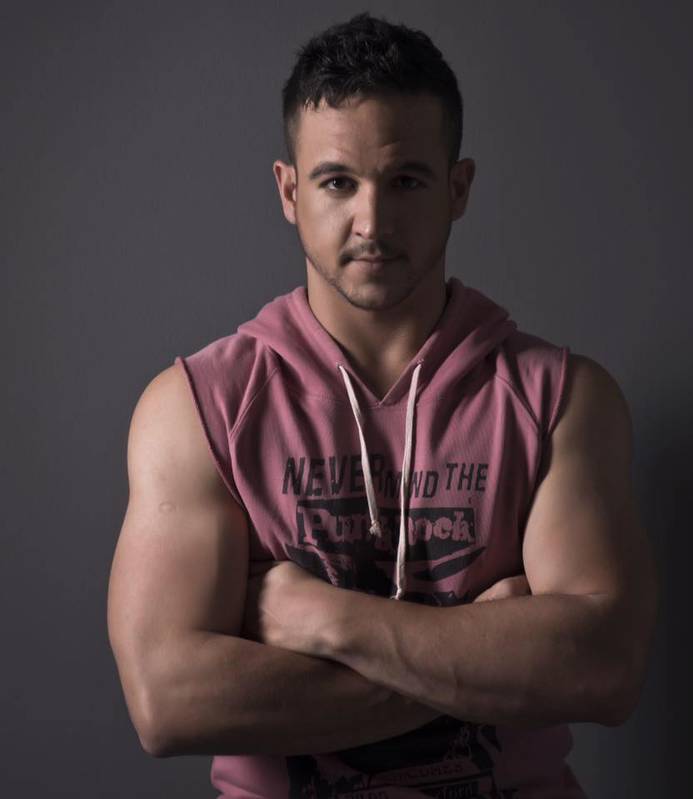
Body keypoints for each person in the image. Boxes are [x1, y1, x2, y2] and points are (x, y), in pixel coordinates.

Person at [107, 12, 658, 798]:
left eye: (406, 181)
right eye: (338, 182)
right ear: (289, 190)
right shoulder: (198, 407)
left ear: (457, 189)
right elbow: (168, 702)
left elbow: (603, 668)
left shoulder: (561, 399)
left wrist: (323, 620)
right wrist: (486, 653)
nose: (372, 221)